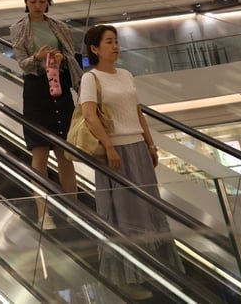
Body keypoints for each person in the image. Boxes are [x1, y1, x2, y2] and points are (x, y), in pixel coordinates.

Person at [79, 24, 183, 300]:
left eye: (116, 41)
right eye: (109, 42)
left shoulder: (125, 74)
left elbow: (137, 112)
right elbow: (89, 115)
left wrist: (150, 143)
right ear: (94, 48)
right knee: (124, 215)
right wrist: (109, 146)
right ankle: (126, 278)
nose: (115, 46)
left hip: (137, 148)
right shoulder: (91, 78)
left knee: (148, 210)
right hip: (116, 154)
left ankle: (152, 270)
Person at [10, 0, 82, 228]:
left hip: (60, 86)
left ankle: (72, 211)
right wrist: (38, 58)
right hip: (36, 89)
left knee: (65, 152)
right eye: (32, 1)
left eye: (41, 1)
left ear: (48, 1)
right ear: (26, 2)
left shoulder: (59, 26)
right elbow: (21, 62)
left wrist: (61, 58)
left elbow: (71, 55)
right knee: (39, 151)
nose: (37, 5)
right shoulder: (19, 28)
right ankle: (43, 212)